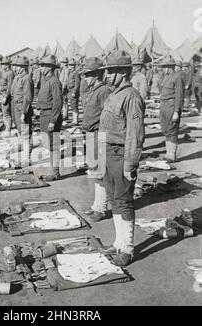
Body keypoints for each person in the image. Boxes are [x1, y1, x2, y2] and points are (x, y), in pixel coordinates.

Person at [99, 50, 145, 267]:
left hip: (121, 155)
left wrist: (130, 163)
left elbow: (135, 134)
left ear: (124, 72)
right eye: (107, 70)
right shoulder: (114, 94)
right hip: (108, 153)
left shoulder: (132, 97)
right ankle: (118, 242)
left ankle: (127, 248)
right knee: (114, 199)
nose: (107, 75)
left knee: (124, 202)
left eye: (112, 71)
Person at [81, 57, 113, 221]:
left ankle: (101, 208)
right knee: (94, 171)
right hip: (90, 134)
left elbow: (107, 118)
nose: (85, 78)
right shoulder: (94, 90)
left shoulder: (104, 91)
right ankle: (96, 205)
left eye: (87, 75)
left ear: (96, 75)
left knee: (100, 172)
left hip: (98, 135)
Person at [37, 54, 63, 181]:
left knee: (54, 145)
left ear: (49, 67)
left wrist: (53, 120)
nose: (41, 68)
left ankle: (55, 172)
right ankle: (51, 169)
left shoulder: (54, 82)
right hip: (44, 115)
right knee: (48, 145)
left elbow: (58, 103)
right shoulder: (45, 80)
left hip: (51, 116)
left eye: (43, 66)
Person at [158, 55, 184, 163]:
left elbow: (179, 95)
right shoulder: (165, 77)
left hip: (171, 106)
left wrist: (176, 112)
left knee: (172, 131)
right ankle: (168, 153)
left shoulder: (177, 77)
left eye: (164, 67)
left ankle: (172, 155)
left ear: (169, 67)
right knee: (166, 130)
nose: (163, 69)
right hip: (164, 106)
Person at [11, 56, 34, 165]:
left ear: (23, 67)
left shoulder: (26, 78)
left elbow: (28, 97)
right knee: (20, 131)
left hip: (23, 109)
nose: (14, 68)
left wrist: (24, 112)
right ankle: (23, 154)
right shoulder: (17, 77)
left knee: (26, 134)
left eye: (16, 66)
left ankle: (26, 158)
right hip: (16, 108)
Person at [0, 56, 14, 136]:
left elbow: (10, 86)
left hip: (6, 94)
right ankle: (7, 128)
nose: (3, 66)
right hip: (2, 93)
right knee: (4, 112)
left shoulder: (10, 73)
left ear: (9, 64)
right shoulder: (4, 72)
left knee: (6, 113)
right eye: (3, 64)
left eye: (5, 64)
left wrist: (6, 97)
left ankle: (8, 130)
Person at [67, 58, 81, 125]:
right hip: (70, 91)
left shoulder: (76, 73)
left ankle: (75, 120)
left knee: (74, 106)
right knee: (72, 106)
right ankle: (74, 119)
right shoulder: (70, 72)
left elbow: (77, 84)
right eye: (69, 65)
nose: (69, 66)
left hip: (73, 91)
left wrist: (74, 92)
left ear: (74, 66)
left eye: (71, 65)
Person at [59, 57, 69, 121]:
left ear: (64, 64)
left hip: (64, 88)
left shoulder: (66, 70)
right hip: (62, 87)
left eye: (61, 63)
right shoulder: (63, 70)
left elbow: (65, 80)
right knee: (63, 102)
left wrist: (63, 88)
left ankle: (65, 115)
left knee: (64, 102)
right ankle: (64, 114)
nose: (60, 64)